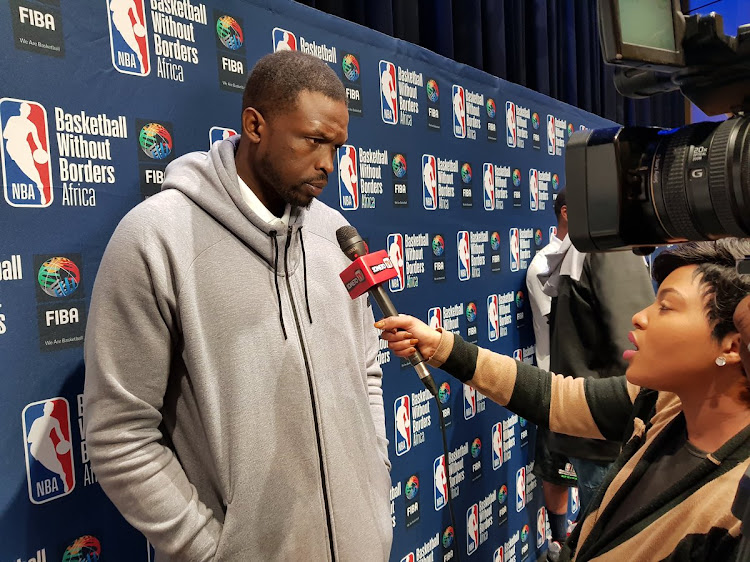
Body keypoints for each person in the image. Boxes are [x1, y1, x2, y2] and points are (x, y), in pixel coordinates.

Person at [83, 51, 392, 561]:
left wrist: (374, 486)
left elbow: (366, 373)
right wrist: (214, 552)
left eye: (337, 147)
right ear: (255, 124)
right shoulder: (155, 239)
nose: (327, 165)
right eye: (313, 140)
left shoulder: (335, 236)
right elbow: (119, 435)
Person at [379, 239, 750, 561]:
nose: (639, 317)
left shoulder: (736, 510)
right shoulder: (661, 403)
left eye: (666, 307)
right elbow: (553, 397)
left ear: (734, 344)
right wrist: (441, 345)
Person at [540, 190, 654, 515]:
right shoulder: (609, 247)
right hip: (609, 432)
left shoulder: (587, 245)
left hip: (590, 425)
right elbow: (636, 344)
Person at [526, 190, 577, 559]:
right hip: (559, 388)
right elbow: (565, 326)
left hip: (595, 387)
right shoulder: (545, 264)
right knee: (558, 472)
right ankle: (559, 542)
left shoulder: (597, 257)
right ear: (566, 212)